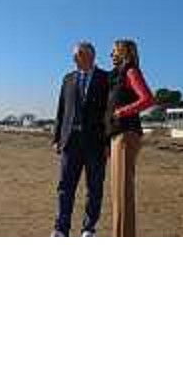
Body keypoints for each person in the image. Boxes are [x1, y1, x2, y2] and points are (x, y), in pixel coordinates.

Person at [52, 42, 109, 237]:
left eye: (77, 54)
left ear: (89, 56)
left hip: (96, 143)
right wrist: (57, 138)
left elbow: (109, 113)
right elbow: (61, 110)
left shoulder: (105, 78)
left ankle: (88, 228)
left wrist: (108, 142)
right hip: (70, 141)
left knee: (94, 188)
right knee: (65, 187)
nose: (73, 58)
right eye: (74, 55)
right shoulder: (68, 79)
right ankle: (61, 229)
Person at [106, 39, 155, 237]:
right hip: (117, 135)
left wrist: (122, 112)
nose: (111, 55)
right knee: (117, 193)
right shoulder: (117, 74)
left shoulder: (131, 71)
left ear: (124, 53)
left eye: (114, 51)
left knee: (123, 192)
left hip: (126, 135)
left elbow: (148, 99)